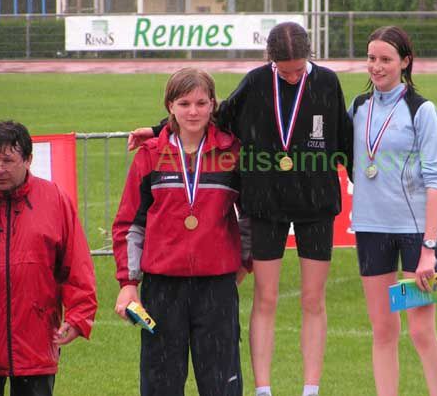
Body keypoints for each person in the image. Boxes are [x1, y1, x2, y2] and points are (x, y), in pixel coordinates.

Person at [128, 22, 353, 396]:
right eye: (285, 70)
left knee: (314, 299)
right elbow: (211, 113)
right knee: (266, 297)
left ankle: (311, 388)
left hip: (316, 204)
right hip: (265, 204)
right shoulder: (256, 82)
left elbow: (345, 138)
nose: (293, 77)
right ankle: (263, 389)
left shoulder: (327, 82)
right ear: (270, 61)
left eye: (299, 69)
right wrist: (157, 130)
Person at [113, 68, 251, 396]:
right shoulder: (149, 156)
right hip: (162, 288)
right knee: (161, 384)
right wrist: (128, 284)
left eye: (202, 103)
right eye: (184, 103)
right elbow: (130, 224)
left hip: (217, 286)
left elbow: (252, 217)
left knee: (221, 384)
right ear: (169, 106)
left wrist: (244, 263)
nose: (193, 111)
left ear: (213, 105)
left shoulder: (232, 154)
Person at [348, 26, 437, 396]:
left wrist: (428, 250)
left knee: (421, 333)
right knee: (383, 331)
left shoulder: (421, 110)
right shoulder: (358, 107)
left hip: (415, 235)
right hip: (372, 230)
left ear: (405, 62)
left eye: (386, 59)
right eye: (372, 58)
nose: (376, 67)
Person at [0, 120, 97, 396]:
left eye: (7, 160)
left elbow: (76, 264)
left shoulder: (54, 199)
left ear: (28, 160)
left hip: (36, 341)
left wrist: (78, 316)